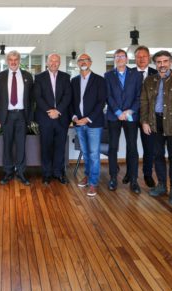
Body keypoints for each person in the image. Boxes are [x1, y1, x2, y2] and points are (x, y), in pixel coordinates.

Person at [140, 50, 172, 205]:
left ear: (170, 62)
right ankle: (162, 185)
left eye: (165, 61)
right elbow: (144, 102)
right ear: (155, 63)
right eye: (159, 62)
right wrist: (145, 122)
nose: (162, 65)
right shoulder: (149, 81)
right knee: (157, 155)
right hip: (154, 123)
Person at [0, 50, 34, 186]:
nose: (13, 62)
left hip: (22, 115)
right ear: (7, 61)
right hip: (7, 116)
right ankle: (8, 172)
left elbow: (31, 99)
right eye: (11, 59)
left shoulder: (28, 76)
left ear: (19, 60)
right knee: (7, 146)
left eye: (16, 59)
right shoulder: (0, 76)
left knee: (21, 146)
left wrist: (30, 118)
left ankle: (21, 173)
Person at [104, 49, 142, 194]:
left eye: (122, 56)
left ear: (127, 59)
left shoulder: (136, 75)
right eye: (117, 56)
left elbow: (139, 96)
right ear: (114, 59)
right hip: (114, 116)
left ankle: (133, 180)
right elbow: (108, 96)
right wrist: (118, 112)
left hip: (131, 116)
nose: (119, 58)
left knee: (132, 147)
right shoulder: (108, 75)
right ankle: (113, 178)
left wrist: (129, 111)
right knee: (112, 148)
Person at [33, 53, 71, 185]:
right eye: (52, 61)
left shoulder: (66, 77)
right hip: (45, 117)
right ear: (47, 63)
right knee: (46, 147)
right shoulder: (39, 77)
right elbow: (38, 97)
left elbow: (68, 96)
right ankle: (47, 174)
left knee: (60, 147)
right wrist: (50, 111)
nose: (54, 63)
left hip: (61, 118)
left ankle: (58, 173)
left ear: (59, 63)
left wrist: (58, 110)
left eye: (56, 61)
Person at [71, 53, 106, 197]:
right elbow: (71, 101)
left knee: (94, 154)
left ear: (90, 63)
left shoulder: (99, 80)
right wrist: (74, 117)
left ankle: (93, 183)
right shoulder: (74, 81)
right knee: (85, 153)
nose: (83, 62)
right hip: (78, 123)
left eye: (86, 60)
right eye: (80, 60)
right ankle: (87, 175)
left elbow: (101, 102)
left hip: (93, 123)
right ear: (78, 63)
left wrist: (88, 118)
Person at [134, 46, 158, 188]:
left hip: (149, 117)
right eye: (139, 56)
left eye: (144, 56)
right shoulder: (129, 73)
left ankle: (147, 174)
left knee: (149, 147)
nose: (142, 59)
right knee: (132, 146)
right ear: (135, 58)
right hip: (131, 116)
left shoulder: (156, 73)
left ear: (149, 57)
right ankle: (130, 173)